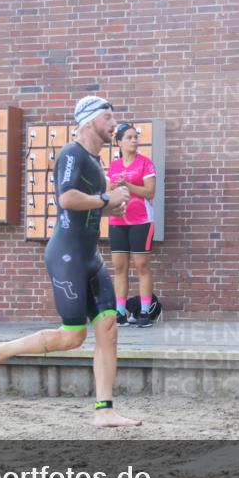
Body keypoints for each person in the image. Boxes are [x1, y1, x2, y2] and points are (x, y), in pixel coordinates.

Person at [0, 96, 141, 428]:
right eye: (108, 118)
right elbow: (66, 198)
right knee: (73, 337)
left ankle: (104, 410)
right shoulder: (72, 154)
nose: (114, 124)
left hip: (90, 256)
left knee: (108, 329)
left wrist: (109, 206)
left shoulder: (95, 161)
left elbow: (90, 204)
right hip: (67, 255)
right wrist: (107, 198)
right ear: (89, 122)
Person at [107, 123, 157, 328]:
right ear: (119, 142)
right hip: (117, 221)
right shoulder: (114, 165)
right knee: (119, 268)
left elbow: (149, 192)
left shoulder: (146, 163)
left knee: (142, 266)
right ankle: (120, 313)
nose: (134, 140)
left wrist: (126, 185)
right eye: (129, 137)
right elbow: (108, 193)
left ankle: (145, 311)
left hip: (141, 221)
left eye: (135, 137)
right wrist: (112, 189)